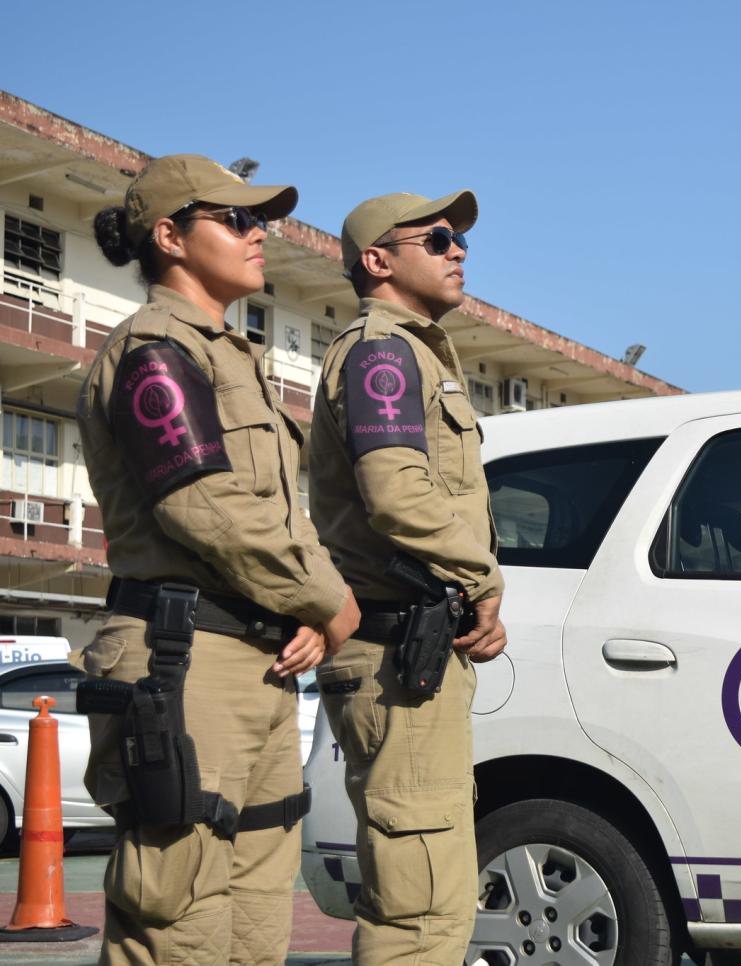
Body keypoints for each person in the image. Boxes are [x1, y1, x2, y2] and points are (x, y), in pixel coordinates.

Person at [74, 154, 361, 965]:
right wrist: (329, 598)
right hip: (182, 660)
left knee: (256, 928)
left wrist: (301, 610)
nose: (257, 232)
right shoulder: (156, 350)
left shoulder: (232, 353)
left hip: (255, 660)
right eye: (235, 218)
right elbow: (203, 505)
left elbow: (276, 513)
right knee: (180, 926)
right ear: (169, 236)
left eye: (257, 219)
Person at [309, 190, 507, 965]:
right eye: (439, 237)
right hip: (397, 649)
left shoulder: (414, 352)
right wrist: (482, 577)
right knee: (418, 909)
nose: (459, 249)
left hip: (416, 647)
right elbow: (396, 493)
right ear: (379, 260)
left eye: (458, 238)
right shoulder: (382, 352)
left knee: (434, 890)